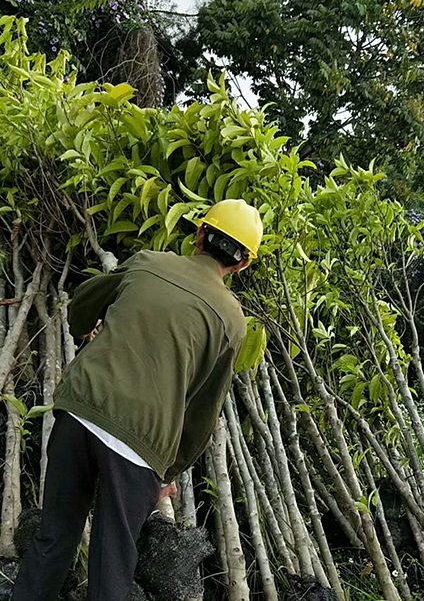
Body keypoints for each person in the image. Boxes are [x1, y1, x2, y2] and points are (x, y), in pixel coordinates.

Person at [13, 199, 263, 601]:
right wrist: (168, 473)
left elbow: (81, 305)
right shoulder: (231, 319)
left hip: (80, 410)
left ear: (199, 234)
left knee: (53, 538)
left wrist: (85, 329)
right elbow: (202, 414)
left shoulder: (149, 261)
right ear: (242, 264)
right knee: (112, 563)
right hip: (139, 446)